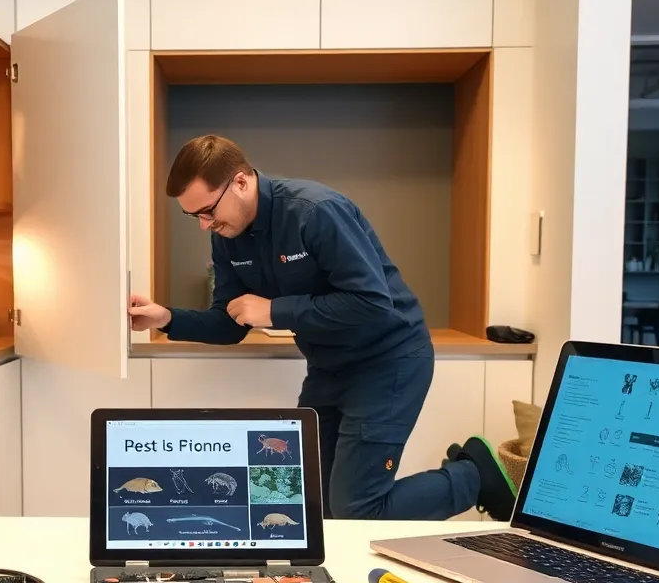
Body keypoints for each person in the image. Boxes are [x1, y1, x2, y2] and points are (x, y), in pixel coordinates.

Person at [127, 135, 516, 521]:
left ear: (241, 182)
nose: (204, 224)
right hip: (328, 369)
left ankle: (474, 476)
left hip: (389, 362)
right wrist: (167, 319)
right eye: (194, 215)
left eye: (208, 210)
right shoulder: (226, 237)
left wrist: (276, 311)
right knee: (310, 502)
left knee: (357, 510)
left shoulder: (315, 211)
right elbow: (230, 324)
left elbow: (372, 304)